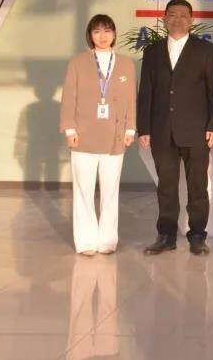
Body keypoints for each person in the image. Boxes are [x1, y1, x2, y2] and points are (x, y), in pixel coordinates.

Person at [138, 0, 213, 256]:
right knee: (166, 186)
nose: (178, 19)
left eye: (183, 15)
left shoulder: (206, 50)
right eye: (172, 15)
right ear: (164, 19)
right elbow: (146, 92)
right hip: (162, 130)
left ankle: (197, 236)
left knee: (197, 186)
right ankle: (166, 236)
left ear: (191, 20)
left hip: (197, 131)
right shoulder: (152, 51)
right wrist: (144, 128)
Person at [60, 14, 137, 255]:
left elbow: (131, 98)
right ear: (90, 35)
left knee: (111, 191)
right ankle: (85, 241)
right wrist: (70, 129)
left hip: (115, 135)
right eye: (97, 31)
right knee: (83, 190)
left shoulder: (126, 64)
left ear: (114, 34)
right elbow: (69, 97)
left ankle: (107, 240)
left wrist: (130, 128)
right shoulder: (77, 63)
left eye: (107, 31)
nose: (102, 36)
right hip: (83, 135)